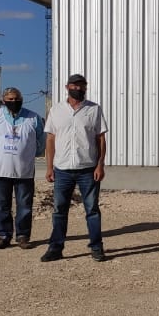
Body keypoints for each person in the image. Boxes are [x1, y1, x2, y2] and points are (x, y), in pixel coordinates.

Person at [40, 74, 109, 263]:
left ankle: (96, 247)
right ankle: (56, 248)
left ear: (85, 87)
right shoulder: (56, 110)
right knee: (59, 210)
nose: (78, 89)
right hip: (62, 169)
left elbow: (101, 139)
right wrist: (49, 167)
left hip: (88, 168)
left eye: (82, 86)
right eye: (74, 85)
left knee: (92, 210)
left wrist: (100, 164)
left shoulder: (93, 109)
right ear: (67, 87)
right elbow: (51, 139)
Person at [0, 87, 46, 249]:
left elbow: (42, 139)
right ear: (3, 100)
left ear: (21, 99)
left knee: (24, 205)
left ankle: (23, 236)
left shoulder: (33, 118)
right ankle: (4, 235)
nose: (13, 102)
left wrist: (32, 153)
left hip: (24, 170)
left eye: (16, 99)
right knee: (1, 205)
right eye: (9, 99)